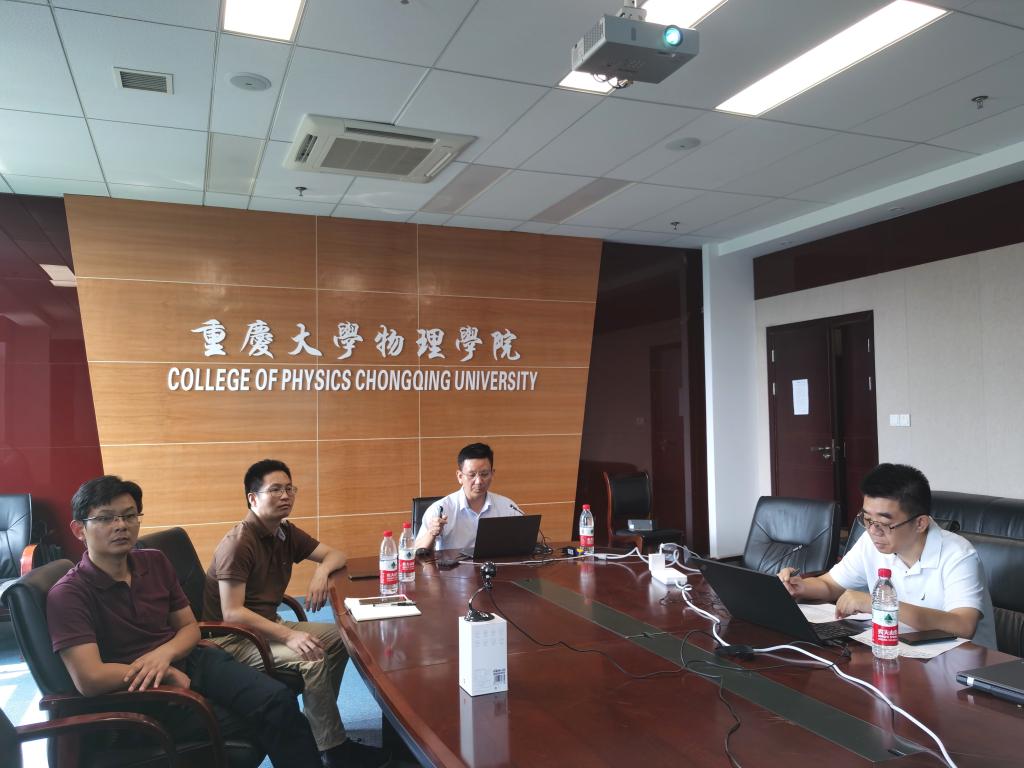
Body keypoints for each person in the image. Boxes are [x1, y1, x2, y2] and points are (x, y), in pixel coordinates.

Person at [48, 475, 322, 767]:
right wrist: (165, 673)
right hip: (143, 693)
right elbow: (90, 678)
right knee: (257, 718)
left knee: (277, 701)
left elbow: (190, 628)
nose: (121, 525)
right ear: (79, 529)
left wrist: (164, 656)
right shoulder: (68, 594)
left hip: (193, 660)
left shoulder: (154, 561)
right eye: (105, 518)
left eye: (129, 516)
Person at [203, 459, 386, 768]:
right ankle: (333, 749)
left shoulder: (284, 532)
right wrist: (289, 635)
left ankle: (319, 729)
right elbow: (232, 613)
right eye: (275, 489)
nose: (285, 495)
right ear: (253, 498)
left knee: (343, 636)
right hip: (232, 639)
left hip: (266, 626)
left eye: (289, 488)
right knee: (312, 657)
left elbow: (336, 555)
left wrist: (320, 573)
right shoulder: (238, 543)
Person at [778, 462, 997, 648]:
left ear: (920, 523)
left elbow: (963, 625)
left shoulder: (958, 555)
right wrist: (800, 587)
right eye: (867, 519)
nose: (873, 531)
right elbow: (830, 584)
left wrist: (876, 604)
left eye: (884, 523)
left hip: (961, 666)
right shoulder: (871, 541)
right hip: (898, 653)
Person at [414, 442, 525, 551]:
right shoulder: (441, 509)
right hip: (454, 564)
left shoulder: (508, 507)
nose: (478, 481)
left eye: (484, 474)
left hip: (497, 563)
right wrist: (431, 533)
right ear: (460, 476)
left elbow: (530, 540)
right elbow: (415, 551)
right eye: (472, 475)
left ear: (492, 474)